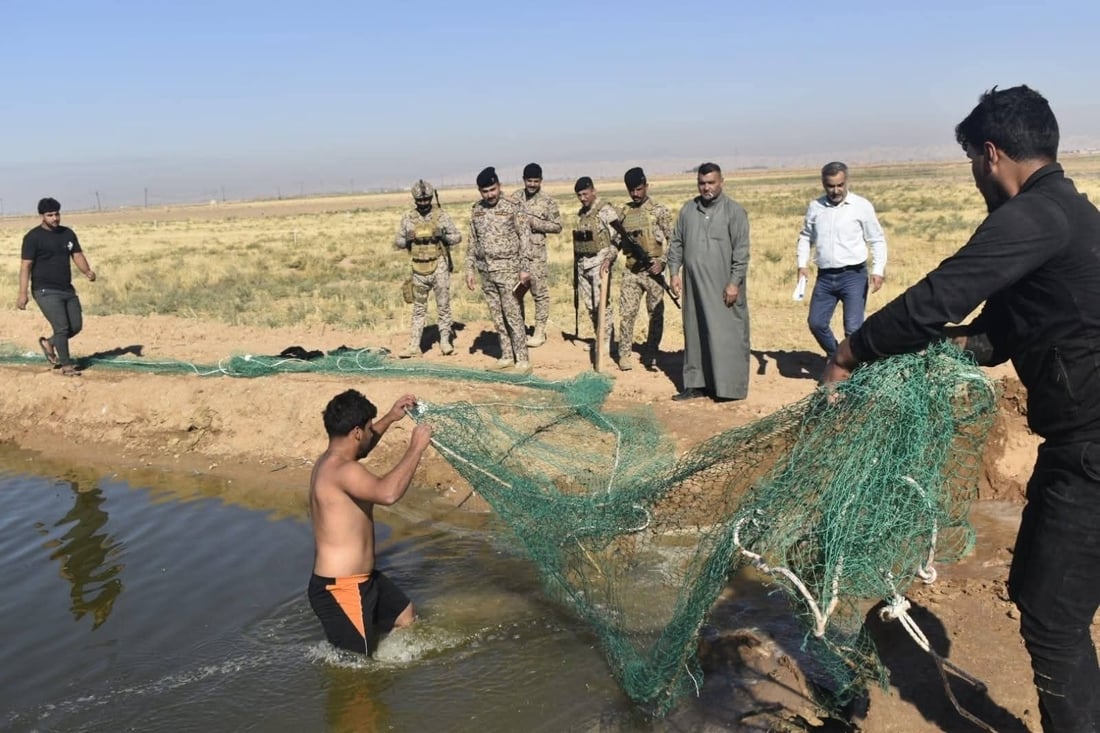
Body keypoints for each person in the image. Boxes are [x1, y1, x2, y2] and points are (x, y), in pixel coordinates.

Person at [823, 85, 1100, 733]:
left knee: (1054, 621)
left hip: (1091, 450)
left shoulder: (1035, 216)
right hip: (1077, 448)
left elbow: (942, 291)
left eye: (975, 159)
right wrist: (917, 359)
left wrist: (852, 352)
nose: (976, 174)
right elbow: (994, 335)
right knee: (1038, 594)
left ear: (992, 154)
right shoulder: (1066, 214)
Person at [308, 389, 433, 656]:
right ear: (355, 432)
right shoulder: (344, 471)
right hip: (341, 589)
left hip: (362, 580)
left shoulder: (331, 461)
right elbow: (388, 493)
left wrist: (390, 417)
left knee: (405, 616)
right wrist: (416, 448)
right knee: (358, 676)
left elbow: (362, 447)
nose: (369, 433)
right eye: (367, 428)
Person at [668, 163, 751, 401]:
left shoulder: (734, 212)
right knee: (694, 333)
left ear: (721, 181)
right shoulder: (687, 210)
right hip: (693, 287)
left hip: (723, 287)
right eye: (702, 183)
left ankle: (728, 389)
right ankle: (695, 384)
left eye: (711, 182)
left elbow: (742, 252)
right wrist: (674, 272)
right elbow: (677, 243)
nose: (706, 188)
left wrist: (734, 282)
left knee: (726, 335)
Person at [796, 162, 888, 361]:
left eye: (840, 185)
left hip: (853, 276)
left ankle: (854, 370)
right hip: (825, 277)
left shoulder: (861, 206)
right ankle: (835, 355)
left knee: (853, 328)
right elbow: (805, 236)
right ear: (823, 184)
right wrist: (802, 264)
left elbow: (877, 239)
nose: (836, 190)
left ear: (847, 181)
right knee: (816, 323)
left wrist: (878, 270)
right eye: (830, 186)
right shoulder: (815, 207)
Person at [16, 197, 96, 377]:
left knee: (75, 326)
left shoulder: (67, 233)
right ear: (42, 216)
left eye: (57, 214)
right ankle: (66, 366)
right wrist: (23, 293)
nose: (55, 218)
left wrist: (87, 271)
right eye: (50, 215)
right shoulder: (32, 237)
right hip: (44, 290)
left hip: (66, 288)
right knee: (61, 327)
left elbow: (77, 255)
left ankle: (50, 343)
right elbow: (25, 266)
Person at [465, 166, 532, 373]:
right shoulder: (476, 210)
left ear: (499, 186)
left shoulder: (512, 206)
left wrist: (525, 268)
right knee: (497, 316)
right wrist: (469, 269)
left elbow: (525, 237)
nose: (489, 195)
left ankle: (523, 360)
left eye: (492, 189)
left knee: (513, 315)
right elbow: (472, 242)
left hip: (509, 270)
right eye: (485, 191)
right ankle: (506, 355)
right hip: (487, 272)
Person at [392, 180, 462, 358]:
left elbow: (457, 237)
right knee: (418, 309)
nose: (423, 203)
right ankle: (414, 346)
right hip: (418, 270)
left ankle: (445, 341)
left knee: (443, 306)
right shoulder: (408, 218)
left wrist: (443, 236)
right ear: (415, 199)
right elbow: (397, 242)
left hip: (439, 266)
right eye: (420, 200)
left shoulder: (441, 216)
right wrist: (407, 239)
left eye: (426, 200)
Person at [616, 167, 673, 371]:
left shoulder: (659, 210)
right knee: (627, 313)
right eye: (631, 190)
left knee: (655, 315)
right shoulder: (623, 212)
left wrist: (663, 262)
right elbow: (615, 242)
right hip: (631, 271)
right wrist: (607, 259)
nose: (635, 194)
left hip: (653, 273)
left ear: (646, 186)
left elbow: (674, 241)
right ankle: (624, 354)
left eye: (639, 189)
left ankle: (651, 353)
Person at [511, 163, 562, 348]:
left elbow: (557, 226)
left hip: (536, 255)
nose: (532, 184)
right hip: (516, 255)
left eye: (536, 181)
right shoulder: (514, 198)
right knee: (516, 293)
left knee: (539, 293)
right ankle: (519, 329)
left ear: (541, 181)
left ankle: (539, 332)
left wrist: (535, 223)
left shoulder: (548, 202)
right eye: (529, 180)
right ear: (523, 180)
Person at [571, 177, 619, 364]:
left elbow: (618, 238)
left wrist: (609, 258)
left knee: (602, 305)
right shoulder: (581, 214)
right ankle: (598, 337)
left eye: (585, 194)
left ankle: (606, 342)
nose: (582, 198)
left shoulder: (605, 211)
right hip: (583, 264)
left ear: (593, 191)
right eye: (579, 195)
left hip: (600, 263)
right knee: (590, 305)